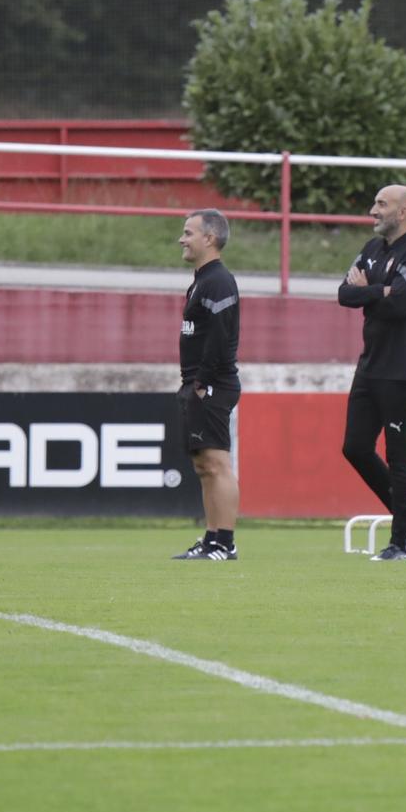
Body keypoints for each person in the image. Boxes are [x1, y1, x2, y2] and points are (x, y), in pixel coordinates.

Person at [337, 184, 406, 561]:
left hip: (403, 368)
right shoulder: (372, 249)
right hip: (370, 365)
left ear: (404, 212)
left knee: (399, 454)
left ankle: (400, 542)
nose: (372, 211)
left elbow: (401, 305)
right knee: (355, 447)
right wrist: (381, 292)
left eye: (382, 204)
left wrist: (373, 291)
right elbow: (344, 294)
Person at [172, 208, 242, 560]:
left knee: (216, 463)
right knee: (203, 466)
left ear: (209, 238)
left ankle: (225, 543)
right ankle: (212, 538)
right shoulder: (202, 279)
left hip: (210, 384)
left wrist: (201, 382)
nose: (181, 239)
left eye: (188, 232)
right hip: (198, 383)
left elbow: (221, 337)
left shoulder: (217, 281)